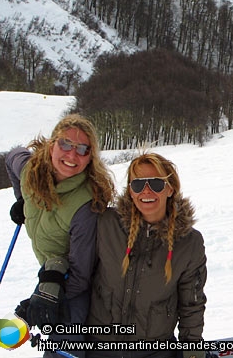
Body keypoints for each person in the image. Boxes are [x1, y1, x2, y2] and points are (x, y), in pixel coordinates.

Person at [5, 113, 115, 357]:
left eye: (83, 149)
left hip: (80, 281)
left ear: (90, 158)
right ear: (52, 144)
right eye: (65, 144)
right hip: (52, 270)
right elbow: (12, 155)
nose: (72, 155)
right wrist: (23, 200)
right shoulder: (29, 172)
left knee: (66, 327)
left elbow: (80, 278)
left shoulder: (86, 205)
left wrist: (42, 297)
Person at [85, 152, 207, 358]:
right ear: (131, 191)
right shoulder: (107, 224)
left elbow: (192, 305)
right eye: (138, 184)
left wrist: (192, 352)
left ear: (170, 188)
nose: (146, 191)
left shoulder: (189, 243)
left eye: (156, 184)